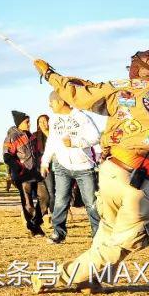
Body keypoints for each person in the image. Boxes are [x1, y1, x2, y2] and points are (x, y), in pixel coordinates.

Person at [31, 50, 149, 293]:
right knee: (121, 243)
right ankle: (59, 278)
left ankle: (91, 279)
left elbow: (81, 94)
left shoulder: (122, 88)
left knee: (108, 231)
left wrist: (50, 74)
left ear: (136, 70)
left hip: (115, 172)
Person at [39, 91, 101, 244]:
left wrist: (75, 142)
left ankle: (98, 235)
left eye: (51, 102)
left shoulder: (82, 117)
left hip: (84, 167)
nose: (50, 105)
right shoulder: (54, 120)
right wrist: (45, 162)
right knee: (60, 200)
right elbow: (52, 142)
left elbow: (96, 137)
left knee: (91, 202)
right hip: (61, 165)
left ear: (60, 102)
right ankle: (58, 233)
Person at [4, 110, 44, 237]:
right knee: (28, 202)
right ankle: (34, 228)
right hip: (23, 174)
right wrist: (18, 169)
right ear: (19, 123)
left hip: (36, 173)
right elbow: (7, 156)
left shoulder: (31, 136)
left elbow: (37, 153)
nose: (29, 124)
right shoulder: (12, 137)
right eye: (27, 122)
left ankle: (36, 221)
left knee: (45, 197)